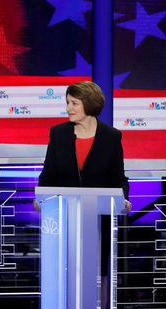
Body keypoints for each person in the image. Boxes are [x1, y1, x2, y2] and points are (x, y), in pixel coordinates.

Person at [36, 80, 131, 309]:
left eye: (74, 103)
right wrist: (40, 198)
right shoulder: (58, 134)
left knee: (98, 270)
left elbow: (119, 178)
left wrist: (124, 198)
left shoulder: (111, 136)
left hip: (98, 219)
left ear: (89, 104)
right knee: (64, 268)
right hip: (63, 217)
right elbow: (48, 172)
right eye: (67, 102)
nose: (68, 108)